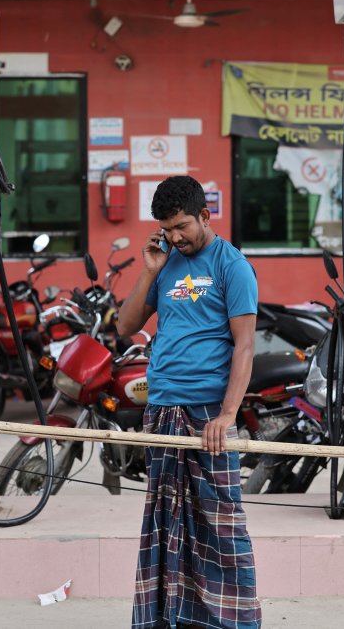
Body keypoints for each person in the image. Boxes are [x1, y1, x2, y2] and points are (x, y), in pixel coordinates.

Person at [117, 175, 262, 629]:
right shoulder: (166, 264)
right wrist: (149, 269)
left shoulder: (231, 265)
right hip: (162, 409)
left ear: (205, 215)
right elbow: (125, 326)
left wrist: (225, 415)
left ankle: (232, 622)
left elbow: (244, 347)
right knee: (166, 521)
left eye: (182, 226)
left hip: (206, 416)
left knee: (219, 524)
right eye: (166, 228)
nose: (175, 237)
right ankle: (169, 619)